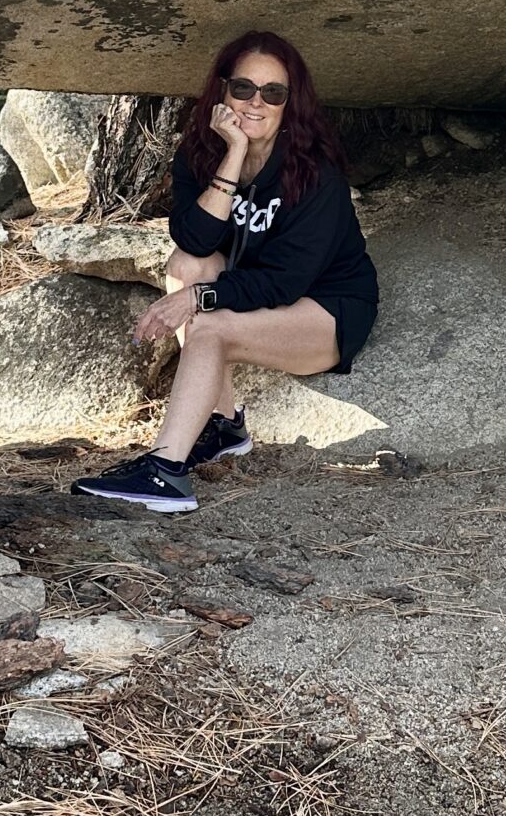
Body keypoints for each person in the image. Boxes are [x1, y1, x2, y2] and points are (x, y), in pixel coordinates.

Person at [72, 31, 378, 512]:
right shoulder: (203, 152)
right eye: (243, 88)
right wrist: (233, 155)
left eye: (273, 93)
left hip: (326, 308)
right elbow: (195, 241)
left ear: (290, 103)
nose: (256, 102)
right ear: (222, 91)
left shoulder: (315, 175)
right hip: (261, 290)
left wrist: (198, 301)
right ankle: (225, 425)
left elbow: (286, 282)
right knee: (187, 265)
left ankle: (165, 474)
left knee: (210, 324)